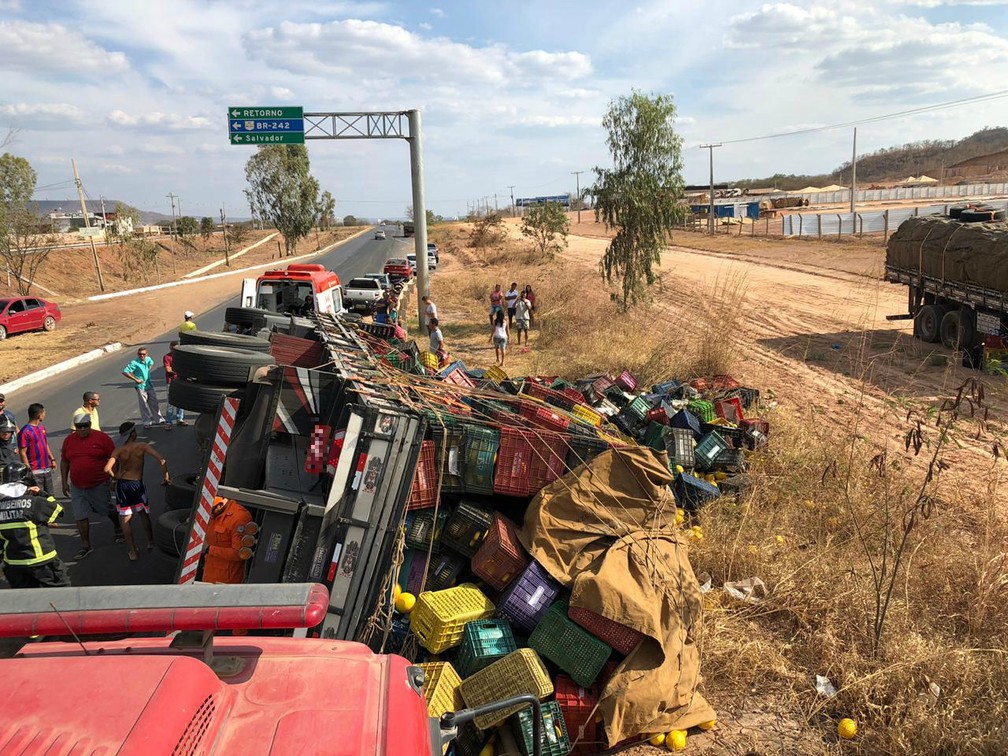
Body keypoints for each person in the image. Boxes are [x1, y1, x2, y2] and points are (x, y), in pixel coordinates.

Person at [104, 421, 168, 561]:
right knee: (143, 513)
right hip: (136, 484)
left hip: (122, 485)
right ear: (133, 434)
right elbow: (161, 460)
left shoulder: (119, 450)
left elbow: (107, 469)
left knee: (125, 518)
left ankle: (133, 552)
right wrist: (166, 476)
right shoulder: (142, 446)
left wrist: (115, 478)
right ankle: (150, 542)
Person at [0, 462, 70, 589]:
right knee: (61, 596)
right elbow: (59, 511)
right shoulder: (34, 503)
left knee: (27, 601)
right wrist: (42, 493)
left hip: (14, 565)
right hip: (42, 562)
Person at [61, 413, 120, 560]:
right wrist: (64, 481)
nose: (82, 430)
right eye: (78, 427)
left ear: (89, 425)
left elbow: (114, 457)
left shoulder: (102, 438)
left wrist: (114, 479)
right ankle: (86, 545)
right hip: (77, 485)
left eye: (85, 426)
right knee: (80, 514)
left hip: (98, 484)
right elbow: (65, 462)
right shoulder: (69, 440)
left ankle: (118, 526)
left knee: (105, 508)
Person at [202, 496, 253, 584]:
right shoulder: (214, 513)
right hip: (209, 575)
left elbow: (239, 553)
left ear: (219, 505)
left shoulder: (239, 518)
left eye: (210, 513)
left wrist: (208, 549)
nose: (210, 516)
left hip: (226, 581)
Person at [122, 346, 167, 429]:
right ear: (137, 354)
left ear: (146, 354)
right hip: (141, 386)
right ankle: (147, 421)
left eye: (143, 354)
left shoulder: (148, 359)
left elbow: (151, 363)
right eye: (140, 354)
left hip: (149, 384)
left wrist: (148, 371)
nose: (142, 356)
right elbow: (125, 371)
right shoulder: (134, 363)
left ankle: (159, 419)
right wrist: (136, 379)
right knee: (143, 404)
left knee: (154, 402)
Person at [17, 403, 57, 496]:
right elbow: (22, 453)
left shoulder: (42, 428)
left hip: (46, 469)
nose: (45, 415)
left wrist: (52, 459)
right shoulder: (25, 432)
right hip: (35, 472)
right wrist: (28, 471)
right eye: (44, 413)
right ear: (39, 414)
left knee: (50, 497)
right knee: (39, 498)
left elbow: (45, 444)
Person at [163, 341, 187, 427]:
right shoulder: (167, 357)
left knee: (181, 401)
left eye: (175, 349)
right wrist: (180, 371)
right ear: (170, 348)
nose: (173, 350)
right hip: (171, 382)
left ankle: (180, 419)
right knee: (170, 403)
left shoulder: (182, 357)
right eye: (172, 348)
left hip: (181, 381)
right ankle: (169, 422)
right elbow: (168, 370)